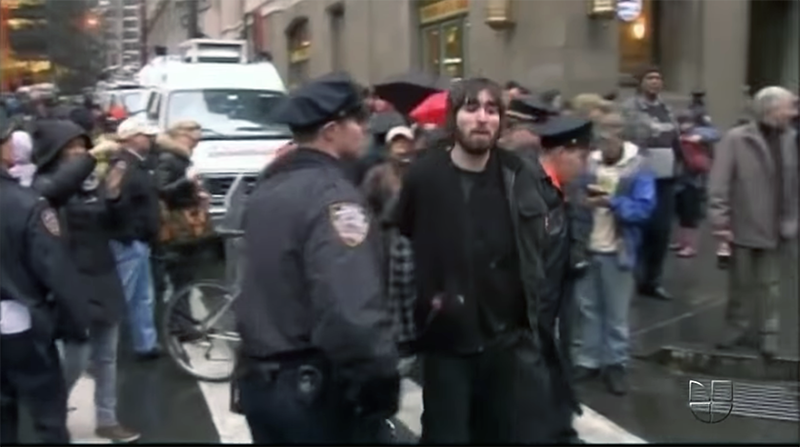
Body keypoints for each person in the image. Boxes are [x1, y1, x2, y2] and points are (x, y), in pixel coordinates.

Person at [234, 72, 400, 443]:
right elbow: (350, 310)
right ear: (331, 131)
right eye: (357, 119)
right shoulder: (333, 197)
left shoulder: (268, 187)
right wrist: (380, 384)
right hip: (312, 393)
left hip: (261, 383)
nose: (365, 128)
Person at [394, 77, 561, 443]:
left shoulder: (518, 173)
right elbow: (401, 243)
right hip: (446, 343)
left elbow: (541, 242)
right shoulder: (424, 175)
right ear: (454, 117)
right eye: (471, 108)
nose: (482, 118)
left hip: (505, 342)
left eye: (491, 109)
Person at [30, 119, 139, 442]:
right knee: (74, 358)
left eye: (82, 145)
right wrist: (91, 158)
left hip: (103, 276)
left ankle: (107, 418)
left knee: (107, 357)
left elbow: (118, 227)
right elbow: (54, 192)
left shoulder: (91, 183)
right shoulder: (44, 184)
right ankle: (51, 413)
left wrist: (115, 193)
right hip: (70, 283)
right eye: (71, 147)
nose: (79, 152)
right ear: (54, 151)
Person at [0, 109, 89, 443]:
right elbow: (54, 270)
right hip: (22, 327)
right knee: (48, 417)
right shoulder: (26, 204)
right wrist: (75, 325)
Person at [709, 86, 798, 356]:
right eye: (789, 107)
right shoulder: (737, 139)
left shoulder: (791, 138)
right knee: (741, 284)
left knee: (771, 285)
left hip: (779, 226)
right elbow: (719, 183)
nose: (793, 113)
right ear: (771, 109)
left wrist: (793, 219)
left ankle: (769, 333)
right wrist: (720, 222)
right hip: (743, 224)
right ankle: (736, 328)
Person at [572, 111, 656, 396]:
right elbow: (574, 196)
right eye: (601, 137)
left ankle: (615, 363)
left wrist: (614, 203)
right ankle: (589, 359)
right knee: (588, 308)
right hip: (588, 245)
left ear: (622, 137)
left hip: (618, 249)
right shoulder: (589, 163)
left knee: (616, 313)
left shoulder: (638, 166)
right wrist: (582, 202)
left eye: (611, 137)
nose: (605, 143)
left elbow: (645, 208)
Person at [620, 65, 681, 301]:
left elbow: (674, 137)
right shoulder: (629, 107)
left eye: (658, 78)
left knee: (661, 230)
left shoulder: (667, 108)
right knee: (639, 228)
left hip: (666, 176)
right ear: (641, 82)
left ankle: (653, 280)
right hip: (640, 174)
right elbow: (628, 136)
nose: (655, 82)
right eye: (650, 78)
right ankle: (633, 278)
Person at [106, 118, 162, 359]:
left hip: (138, 240)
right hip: (129, 240)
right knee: (124, 296)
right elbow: (113, 199)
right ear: (130, 138)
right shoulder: (123, 165)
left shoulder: (136, 164)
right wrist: (129, 233)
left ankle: (145, 344)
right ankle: (106, 348)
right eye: (144, 135)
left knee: (142, 297)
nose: (149, 139)